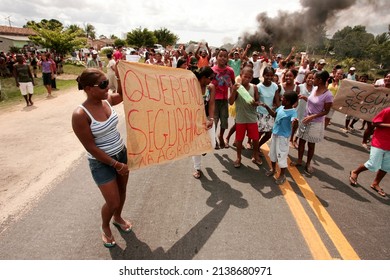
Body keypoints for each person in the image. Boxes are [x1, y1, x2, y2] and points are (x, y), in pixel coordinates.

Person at [71, 68, 132, 248]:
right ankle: (105, 226)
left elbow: (121, 94)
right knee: (112, 200)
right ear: (89, 88)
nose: (108, 87)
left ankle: (117, 217)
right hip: (101, 163)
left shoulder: (107, 100)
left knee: (122, 192)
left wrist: (120, 77)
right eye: (104, 84)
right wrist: (116, 164)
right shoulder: (80, 115)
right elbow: (90, 146)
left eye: (108, 82)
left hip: (121, 153)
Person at [291, 70, 334, 174]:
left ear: (319, 80)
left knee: (311, 145)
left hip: (315, 123)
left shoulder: (328, 95)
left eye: (314, 78)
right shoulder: (315, 89)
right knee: (301, 141)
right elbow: (313, 101)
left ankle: (308, 163)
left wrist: (313, 116)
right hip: (305, 119)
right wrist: (305, 98)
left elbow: (326, 111)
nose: (312, 80)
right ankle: (300, 160)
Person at [349, 106, 390, 197]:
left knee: (386, 166)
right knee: (373, 164)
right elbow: (375, 123)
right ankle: (355, 172)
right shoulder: (387, 110)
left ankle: (375, 183)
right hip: (380, 141)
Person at [260, 91, 298, 184]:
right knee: (272, 153)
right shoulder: (281, 107)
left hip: (283, 138)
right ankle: (273, 169)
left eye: (284, 98)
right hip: (275, 135)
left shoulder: (292, 113)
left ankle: (282, 175)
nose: (281, 99)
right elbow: (274, 115)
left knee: (281, 156)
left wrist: (295, 123)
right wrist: (266, 107)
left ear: (289, 102)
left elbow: (294, 122)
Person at [229, 66, 261, 168]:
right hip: (241, 118)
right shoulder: (238, 88)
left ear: (252, 78)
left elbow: (257, 100)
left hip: (252, 118)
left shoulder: (254, 87)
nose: (247, 79)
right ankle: (238, 157)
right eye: (245, 76)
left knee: (255, 139)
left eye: (249, 77)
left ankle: (255, 154)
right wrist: (234, 91)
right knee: (239, 140)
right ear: (241, 75)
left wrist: (255, 103)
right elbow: (230, 102)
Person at [192, 66, 216, 179]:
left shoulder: (210, 88)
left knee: (212, 144)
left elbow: (211, 104)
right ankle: (197, 168)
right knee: (196, 146)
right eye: (210, 78)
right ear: (203, 77)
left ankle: (203, 149)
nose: (211, 81)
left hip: (206, 118)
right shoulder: (192, 86)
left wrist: (211, 119)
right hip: (194, 120)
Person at [211, 48, 235, 149]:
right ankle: (214, 140)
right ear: (216, 57)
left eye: (225, 56)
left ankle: (221, 136)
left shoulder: (230, 71)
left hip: (225, 100)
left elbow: (233, 84)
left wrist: (232, 95)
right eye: (220, 56)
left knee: (224, 122)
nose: (222, 58)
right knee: (214, 121)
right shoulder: (212, 70)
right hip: (214, 100)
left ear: (228, 58)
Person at [257, 66, 280, 157]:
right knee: (259, 133)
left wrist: (280, 111)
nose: (269, 77)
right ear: (263, 75)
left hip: (270, 113)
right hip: (259, 113)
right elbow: (256, 100)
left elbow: (277, 101)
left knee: (269, 134)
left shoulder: (275, 86)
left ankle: (258, 146)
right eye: (267, 75)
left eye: (271, 75)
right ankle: (255, 150)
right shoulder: (258, 87)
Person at [291, 71, 316, 148]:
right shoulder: (300, 86)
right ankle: (291, 138)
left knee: (302, 126)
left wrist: (306, 98)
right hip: (298, 109)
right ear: (306, 78)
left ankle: (295, 140)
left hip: (308, 111)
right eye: (309, 78)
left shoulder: (315, 89)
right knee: (295, 124)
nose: (311, 80)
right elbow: (294, 97)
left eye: (313, 78)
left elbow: (315, 101)